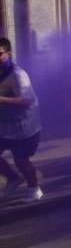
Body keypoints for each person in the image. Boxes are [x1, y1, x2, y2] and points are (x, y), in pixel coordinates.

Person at [0, 39, 43, 202]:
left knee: (21, 160)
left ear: (8, 54)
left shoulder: (18, 75)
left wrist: (2, 100)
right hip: (4, 125)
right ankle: (13, 178)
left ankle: (34, 188)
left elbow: (27, 101)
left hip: (24, 126)